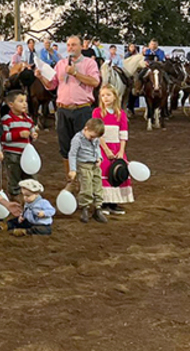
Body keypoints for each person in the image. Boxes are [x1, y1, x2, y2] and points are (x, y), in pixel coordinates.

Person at [37, 36, 100, 181]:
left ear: (80, 47)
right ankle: (70, 179)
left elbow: (95, 82)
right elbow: (51, 85)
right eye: (69, 45)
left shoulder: (89, 63)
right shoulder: (60, 64)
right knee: (65, 146)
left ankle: (85, 180)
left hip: (82, 109)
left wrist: (76, 73)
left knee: (83, 146)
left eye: (74, 45)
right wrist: (41, 77)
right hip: (63, 110)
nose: (70, 47)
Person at [93, 85, 131, 216]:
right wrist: (106, 150)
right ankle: (103, 202)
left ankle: (114, 202)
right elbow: (98, 133)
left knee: (118, 171)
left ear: (115, 96)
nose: (105, 98)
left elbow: (123, 134)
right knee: (104, 171)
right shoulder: (97, 112)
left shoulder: (121, 114)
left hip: (117, 148)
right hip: (103, 148)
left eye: (108, 95)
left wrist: (121, 151)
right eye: (103, 96)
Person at [68, 117, 108, 224]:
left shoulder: (95, 139)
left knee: (98, 185)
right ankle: (84, 208)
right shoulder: (77, 139)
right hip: (83, 166)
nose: (92, 139)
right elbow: (72, 154)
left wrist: (99, 158)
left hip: (95, 165)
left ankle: (97, 208)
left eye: (95, 137)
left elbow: (97, 148)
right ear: (86, 129)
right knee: (86, 186)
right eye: (91, 136)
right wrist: (73, 169)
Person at [0, 90, 36, 200]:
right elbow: (3, 137)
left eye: (25, 101)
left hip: (26, 155)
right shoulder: (6, 120)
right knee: (14, 176)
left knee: (30, 176)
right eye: (21, 101)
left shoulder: (29, 120)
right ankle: (14, 197)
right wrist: (18, 134)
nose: (25, 104)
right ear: (11, 104)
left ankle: (31, 196)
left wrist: (33, 135)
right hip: (12, 154)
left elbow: (31, 134)